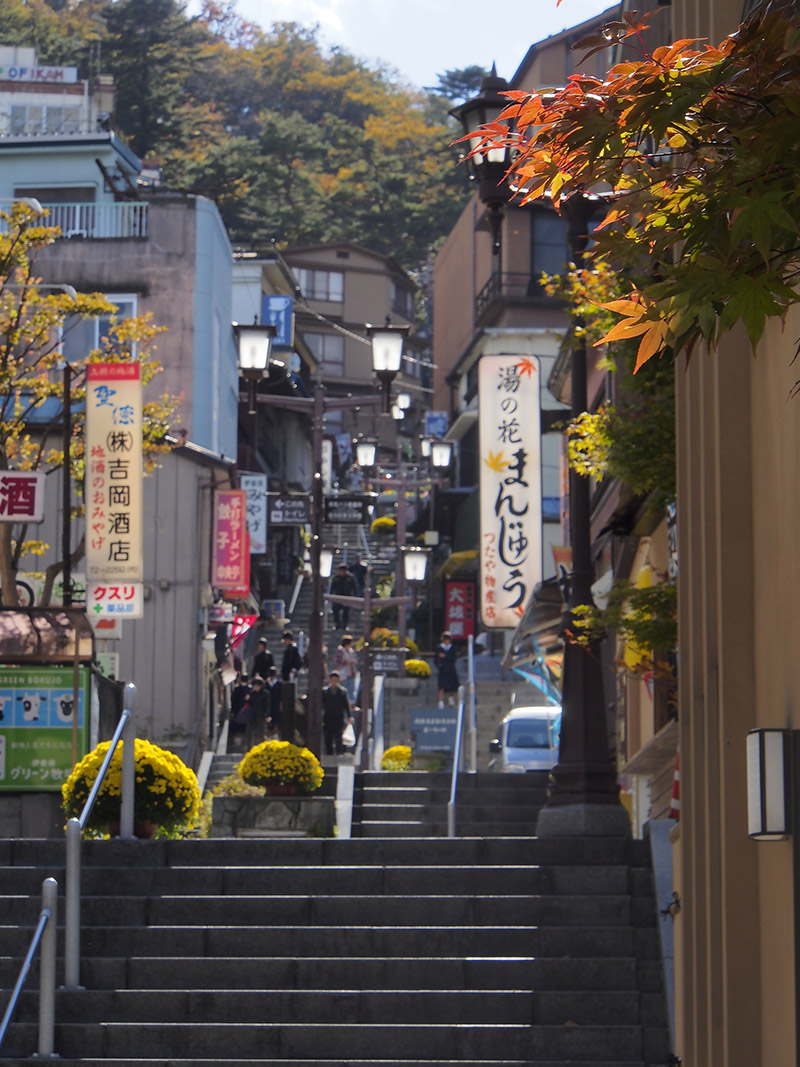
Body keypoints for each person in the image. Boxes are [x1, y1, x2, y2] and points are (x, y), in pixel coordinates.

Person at [322, 669, 352, 755]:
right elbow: (321, 704)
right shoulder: (325, 691)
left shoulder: (342, 692)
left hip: (339, 718)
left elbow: (346, 705)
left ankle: (339, 753)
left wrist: (349, 716)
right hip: (328, 718)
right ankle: (329, 754)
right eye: (332, 679)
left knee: (339, 737)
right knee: (328, 738)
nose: (334, 682)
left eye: (335, 680)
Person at [435, 630, 459, 709]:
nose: (446, 641)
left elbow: (454, 658)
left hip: (451, 669)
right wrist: (439, 665)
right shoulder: (439, 648)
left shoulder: (452, 648)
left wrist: (445, 656)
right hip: (442, 669)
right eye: (445, 639)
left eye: (448, 639)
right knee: (441, 685)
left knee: (450, 685)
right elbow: (436, 659)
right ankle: (441, 701)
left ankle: (450, 698)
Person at [330, 563, 358, 629]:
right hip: (337, 597)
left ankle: (345, 625)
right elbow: (332, 588)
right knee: (335, 611)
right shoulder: (336, 578)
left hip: (347, 597)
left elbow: (354, 587)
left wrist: (355, 596)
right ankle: (337, 625)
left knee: (346, 612)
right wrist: (331, 596)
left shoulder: (350, 578)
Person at [333, 634, 359, 704]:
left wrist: (353, 662)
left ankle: (352, 704)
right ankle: (343, 703)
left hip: (352, 672)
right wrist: (346, 662)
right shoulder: (341, 651)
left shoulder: (352, 651)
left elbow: (356, 660)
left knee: (352, 689)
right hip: (344, 673)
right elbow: (337, 662)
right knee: (344, 689)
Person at [245, 675, 269, 749]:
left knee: (261, 733)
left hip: (261, 715)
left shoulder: (265, 693)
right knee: (249, 732)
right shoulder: (252, 693)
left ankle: (262, 748)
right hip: (252, 715)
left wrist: (267, 715)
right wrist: (247, 699)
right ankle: (249, 748)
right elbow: (249, 704)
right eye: (254, 686)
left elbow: (267, 705)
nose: (256, 687)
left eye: (257, 686)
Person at [265, 666, 282, 738]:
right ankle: (267, 736)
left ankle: (275, 735)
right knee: (267, 721)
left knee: (276, 721)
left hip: (276, 704)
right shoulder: (266, 683)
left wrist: (281, 704)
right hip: (267, 704)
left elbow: (281, 695)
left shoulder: (278, 684)